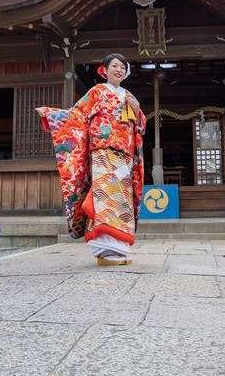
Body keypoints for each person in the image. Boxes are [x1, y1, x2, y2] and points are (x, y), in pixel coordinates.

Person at [36, 53, 146, 266]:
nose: (119, 70)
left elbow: (140, 125)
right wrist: (51, 114)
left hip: (125, 153)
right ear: (104, 70)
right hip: (103, 151)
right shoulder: (96, 92)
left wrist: (136, 110)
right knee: (105, 197)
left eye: (123, 67)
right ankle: (105, 250)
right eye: (115, 66)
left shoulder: (129, 96)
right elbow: (76, 114)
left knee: (122, 201)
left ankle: (118, 249)